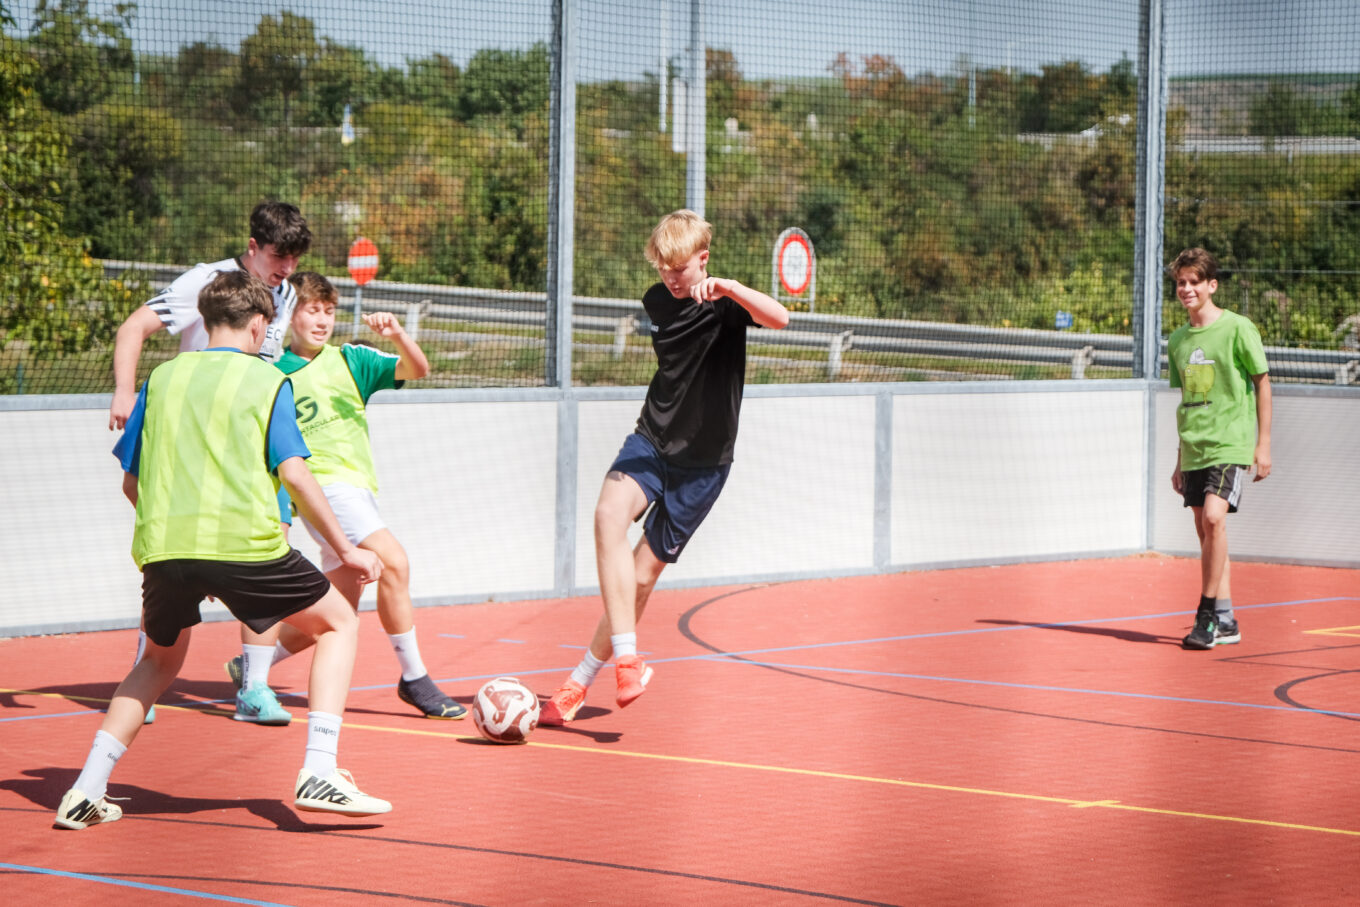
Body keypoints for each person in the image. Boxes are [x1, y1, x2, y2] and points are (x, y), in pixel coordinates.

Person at [55, 271, 391, 830]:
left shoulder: (161, 379)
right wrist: (346, 549)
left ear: (206, 321)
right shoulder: (267, 382)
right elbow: (297, 476)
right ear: (260, 326)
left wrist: (172, 532)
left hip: (164, 548)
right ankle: (320, 771)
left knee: (157, 663)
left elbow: (130, 482)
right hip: (244, 545)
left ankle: (84, 790)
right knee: (338, 623)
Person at [539, 209, 790, 725]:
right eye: (663, 269)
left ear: (703, 259)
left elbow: (781, 318)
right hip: (652, 439)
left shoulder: (727, 306)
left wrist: (733, 289)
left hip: (703, 465)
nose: (671, 280)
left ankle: (578, 681)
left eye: (680, 269)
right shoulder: (656, 301)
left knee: (641, 577)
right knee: (608, 515)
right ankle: (628, 659)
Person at [223, 272, 465, 719]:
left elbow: (417, 369)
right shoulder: (272, 375)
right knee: (395, 561)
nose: (321, 320)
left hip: (358, 489)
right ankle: (415, 678)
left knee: (338, 609)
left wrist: (397, 335)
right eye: (312, 310)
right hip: (322, 489)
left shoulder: (351, 359)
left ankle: (254, 665)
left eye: (329, 312)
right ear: (289, 316)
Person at [109, 201, 311, 725]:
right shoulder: (203, 283)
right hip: (194, 432)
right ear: (252, 248)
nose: (286, 268)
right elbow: (133, 328)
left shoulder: (284, 293)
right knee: (170, 550)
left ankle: (255, 686)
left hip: (249, 432)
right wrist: (125, 394)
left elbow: (267, 364)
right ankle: (146, 668)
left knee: (275, 543)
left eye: (293, 258)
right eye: (277, 255)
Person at [1167, 247, 1272, 650]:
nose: (1187, 289)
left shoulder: (1237, 328)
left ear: (1212, 285)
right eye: (1181, 282)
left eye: (1195, 282)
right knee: (1207, 533)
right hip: (1194, 446)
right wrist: (1179, 459)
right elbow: (1189, 401)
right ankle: (1226, 619)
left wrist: (1262, 444)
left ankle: (1206, 616)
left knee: (1215, 519)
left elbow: (1262, 381)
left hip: (1230, 441)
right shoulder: (1178, 340)